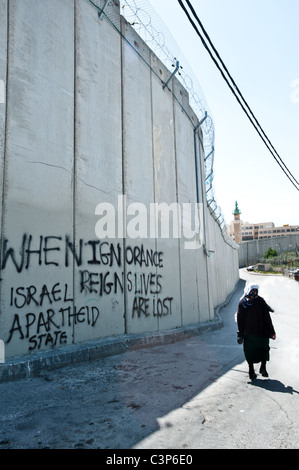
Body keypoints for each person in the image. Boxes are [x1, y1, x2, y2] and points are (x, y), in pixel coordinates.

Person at [237, 283, 276, 380]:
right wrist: (272, 332)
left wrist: (241, 333)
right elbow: (267, 319)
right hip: (262, 333)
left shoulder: (242, 303)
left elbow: (239, 320)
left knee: (249, 351)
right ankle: (263, 367)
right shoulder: (261, 302)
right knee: (263, 349)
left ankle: (251, 371)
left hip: (249, 334)